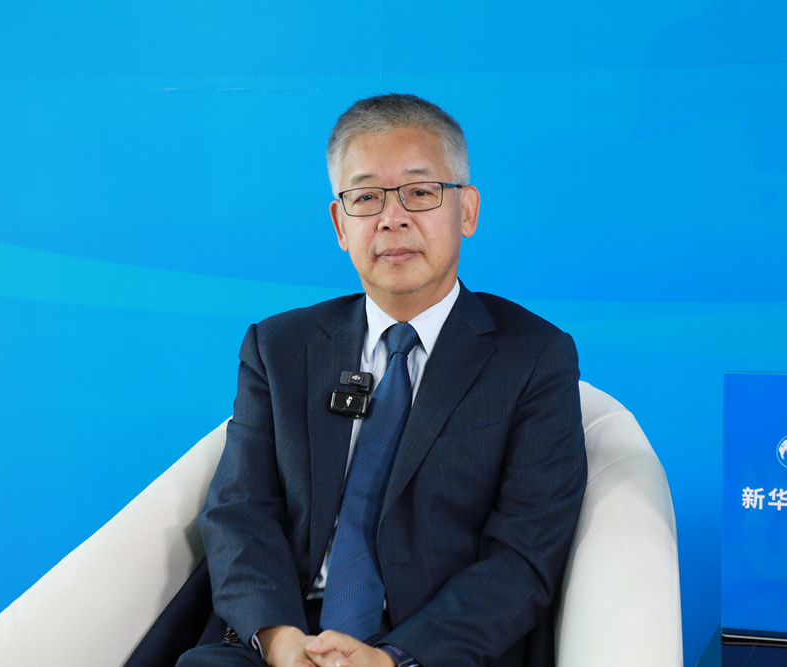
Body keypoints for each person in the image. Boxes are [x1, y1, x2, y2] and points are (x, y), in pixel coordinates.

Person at [178, 93, 587, 667]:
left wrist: (392, 658)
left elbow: (524, 554)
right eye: (367, 197)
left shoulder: (533, 356)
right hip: (286, 638)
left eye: (419, 192)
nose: (392, 218)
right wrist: (282, 642)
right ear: (340, 224)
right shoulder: (280, 346)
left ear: (467, 211)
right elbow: (240, 511)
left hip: (430, 648)